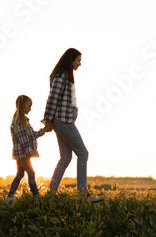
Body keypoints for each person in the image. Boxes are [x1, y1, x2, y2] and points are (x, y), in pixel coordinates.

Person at [42, 48, 102, 202]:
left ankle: (51, 194)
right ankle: (83, 193)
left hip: (63, 120)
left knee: (66, 157)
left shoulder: (65, 75)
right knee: (83, 153)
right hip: (63, 121)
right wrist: (47, 119)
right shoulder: (61, 75)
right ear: (70, 60)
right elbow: (53, 98)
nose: (80, 64)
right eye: (78, 60)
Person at [5, 95, 47, 202]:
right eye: (29, 106)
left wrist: (43, 131)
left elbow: (32, 135)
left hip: (21, 153)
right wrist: (30, 152)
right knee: (31, 173)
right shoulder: (19, 121)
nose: (30, 109)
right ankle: (36, 197)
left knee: (20, 174)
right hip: (23, 153)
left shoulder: (23, 120)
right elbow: (23, 140)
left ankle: (9, 197)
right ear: (23, 106)